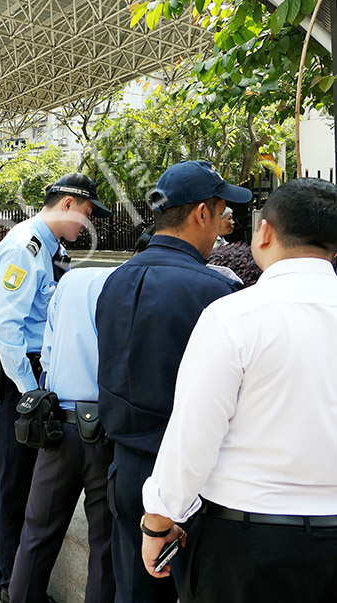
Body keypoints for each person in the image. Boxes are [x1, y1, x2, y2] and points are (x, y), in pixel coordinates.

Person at [140, 178, 337, 602]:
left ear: (264, 232)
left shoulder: (234, 317)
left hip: (247, 543)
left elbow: (192, 438)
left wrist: (158, 520)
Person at [95, 160, 250, 603]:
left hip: (125, 468)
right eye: (222, 213)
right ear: (201, 213)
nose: (224, 226)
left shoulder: (115, 280)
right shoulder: (215, 293)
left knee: (136, 591)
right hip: (187, 480)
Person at [0, 173, 111, 601]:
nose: (87, 225)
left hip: (31, 371)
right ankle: (3, 576)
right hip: (15, 371)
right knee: (13, 475)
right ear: (69, 204)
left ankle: (3, 565)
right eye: (87, 215)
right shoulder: (25, 247)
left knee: (23, 474)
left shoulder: (52, 248)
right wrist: (31, 390)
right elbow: (5, 326)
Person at [9, 267, 117, 603]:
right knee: (104, 541)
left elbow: (48, 351)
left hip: (59, 425)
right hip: (104, 432)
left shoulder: (70, 281)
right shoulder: (126, 286)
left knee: (38, 531)